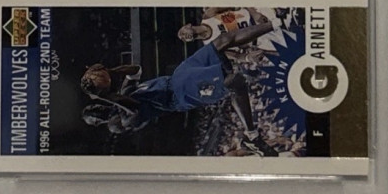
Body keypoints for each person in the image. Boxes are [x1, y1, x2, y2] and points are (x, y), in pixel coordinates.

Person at [80, 22, 284, 157]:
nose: (98, 113)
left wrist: (110, 71)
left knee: (222, 41)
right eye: (95, 117)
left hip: (178, 76)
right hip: (180, 95)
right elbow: (132, 108)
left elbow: (135, 70)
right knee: (234, 81)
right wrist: (106, 95)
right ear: (99, 123)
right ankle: (252, 136)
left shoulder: (126, 91)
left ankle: (277, 22)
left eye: (94, 109)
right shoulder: (118, 123)